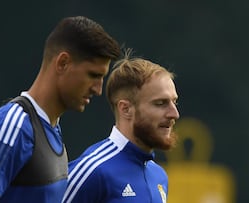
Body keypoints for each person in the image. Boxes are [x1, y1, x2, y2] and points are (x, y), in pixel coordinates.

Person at [0, 16, 120, 203]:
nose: (98, 89)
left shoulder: (52, 130)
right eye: (93, 75)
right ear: (63, 63)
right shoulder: (13, 126)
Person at [63, 49, 180, 203]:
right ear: (125, 109)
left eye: (174, 102)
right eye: (160, 103)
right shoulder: (93, 171)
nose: (174, 114)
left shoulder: (158, 176)